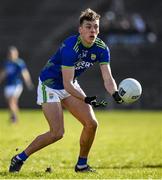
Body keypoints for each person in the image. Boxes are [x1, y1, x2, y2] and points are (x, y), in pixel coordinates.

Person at [9, 8, 123, 173]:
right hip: (50, 85)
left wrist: (115, 93)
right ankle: (20, 158)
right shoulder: (71, 47)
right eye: (89, 26)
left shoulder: (102, 48)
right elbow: (67, 84)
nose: (93, 30)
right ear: (80, 29)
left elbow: (107, 77)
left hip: (69, 83)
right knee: (57, 133)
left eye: (96, 27)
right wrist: (86, 99)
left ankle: (82, 165)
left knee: (91, 124)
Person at [0, 46, 34, 123]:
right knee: (12, 103)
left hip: (16, 85)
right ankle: (14, 117)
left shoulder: (19, 63)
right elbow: (3, 73)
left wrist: (28, 82)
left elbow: (24, 73)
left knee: (11, 101)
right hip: (8, 85)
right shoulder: (7, 63)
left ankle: (14, 118)